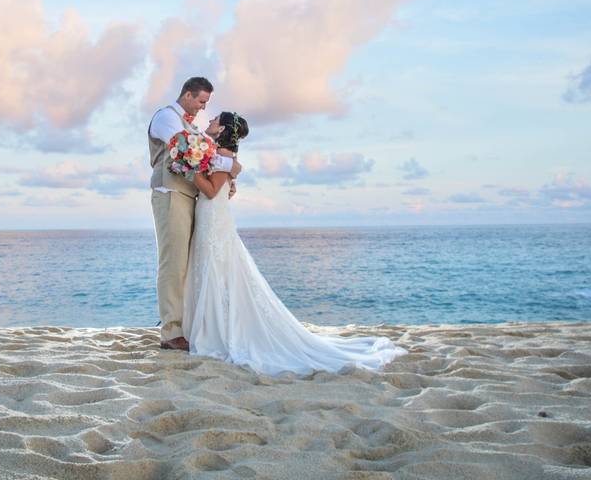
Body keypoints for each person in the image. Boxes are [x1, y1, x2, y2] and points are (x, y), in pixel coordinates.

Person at [183, 111, 407, 376]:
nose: (209, 122)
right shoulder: (219, 155)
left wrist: (188, 169)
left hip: (214, 219)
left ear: (221, 130)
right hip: (211, 217)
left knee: (217, 270)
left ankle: (217, 331)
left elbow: (210, 190)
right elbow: (221, 186)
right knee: (212, 270)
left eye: (214, 120)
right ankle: (210, 326)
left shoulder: (224, 158)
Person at [148, 77, 242, 351]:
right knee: (173, 263)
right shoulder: (167, 118)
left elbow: (203, 154)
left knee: (188, 265)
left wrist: (230, 171)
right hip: (171, 194)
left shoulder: (193, 127)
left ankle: (184, 325)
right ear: (187, 94)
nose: (203, 108)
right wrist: (230, 166)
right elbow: (187, 150)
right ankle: (171, 332)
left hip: (191, 197)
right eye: (201, 101)